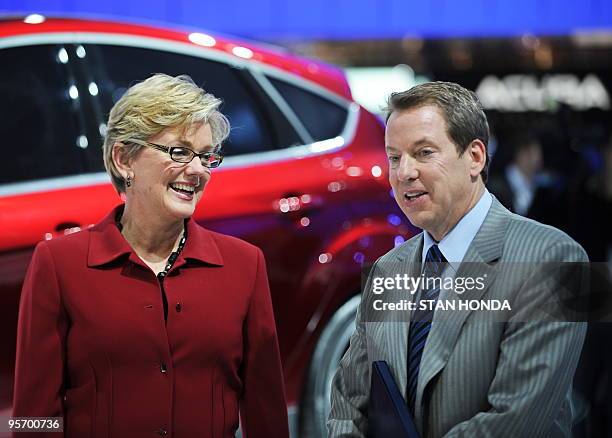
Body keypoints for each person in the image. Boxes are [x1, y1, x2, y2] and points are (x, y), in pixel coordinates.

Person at [13, 73, 289, 438]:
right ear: (124, 159)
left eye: (207, 157)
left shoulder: (245, 265)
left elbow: (266, 415)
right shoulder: (57, 265)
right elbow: (32, 418)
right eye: (179, 151)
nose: (197, 171)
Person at [328, 81, 587, 437]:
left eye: (424, 152)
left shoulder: (558, 259)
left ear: (475, 158)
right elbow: (348, 402)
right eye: (394, 157)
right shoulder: (386, 270)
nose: (404, 172)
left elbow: (516, 419)